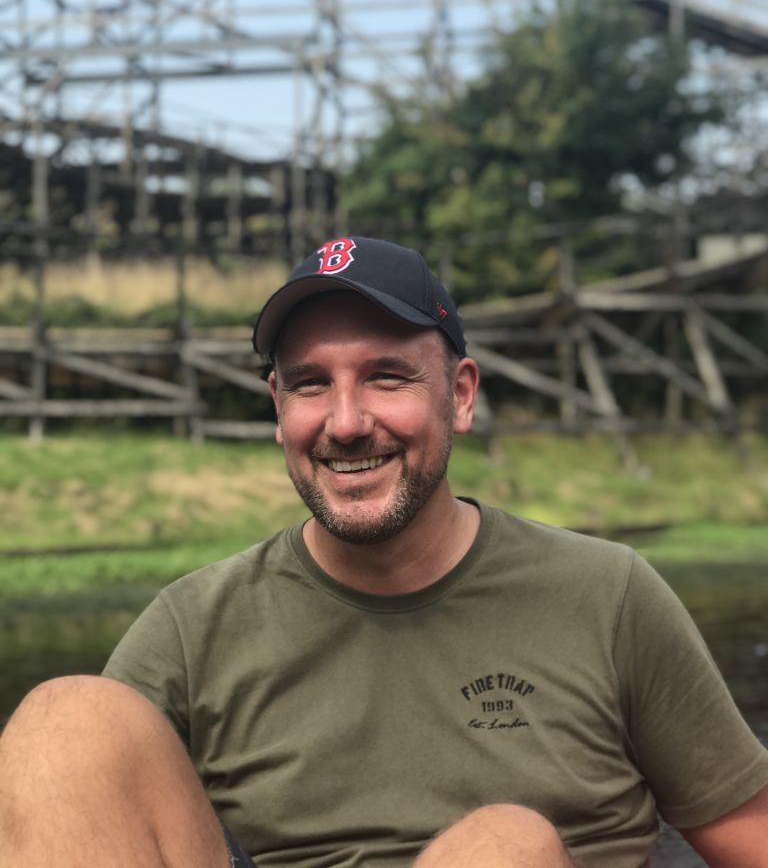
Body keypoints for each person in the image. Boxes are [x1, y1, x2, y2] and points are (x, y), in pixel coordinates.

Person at [0, 235, 766, 868]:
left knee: (504, 848)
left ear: (459, 395)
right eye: (310, 384)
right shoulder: (191, 628)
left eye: (386, 377)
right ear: (278, 410)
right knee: (66, 721)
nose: (345, 423)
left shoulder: (608, 595)